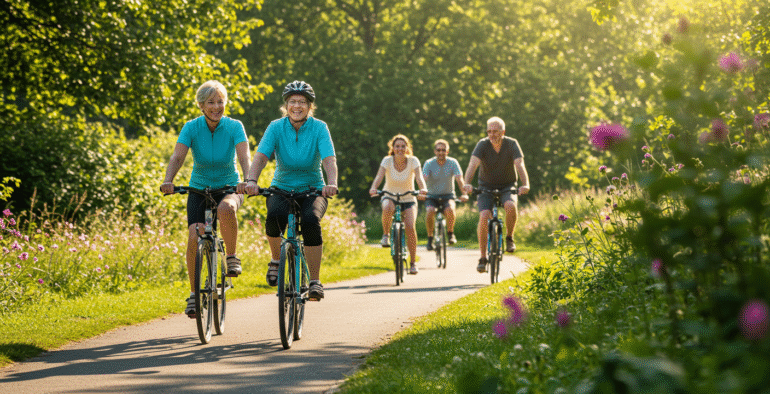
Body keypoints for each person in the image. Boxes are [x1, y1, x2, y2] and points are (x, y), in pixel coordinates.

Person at [160, 80, 251, 317]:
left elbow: (244, 156)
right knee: (194, 234)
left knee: (226, 209)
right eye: (211, 102)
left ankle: (231, 258)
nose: (216, 106)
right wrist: (168, 180)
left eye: (220, 101)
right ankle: (193, 294)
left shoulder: (234, 126)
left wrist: (249, 180)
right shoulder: (191, 128)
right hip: (199, 188)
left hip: (229, 186)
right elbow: (178, 156)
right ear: (201, 105)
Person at [245, 80, 338, 301]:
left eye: (302, 102)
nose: (297, 106)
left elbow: (328, 158)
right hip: (282, 187)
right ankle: (276, 260)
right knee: (274, 216)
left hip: (313, 189)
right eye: (293, 101)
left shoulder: (319, 127)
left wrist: (331, 182)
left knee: (310, 221)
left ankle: (314, 281)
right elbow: (261, 156)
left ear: (310, 106)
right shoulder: (275, 127)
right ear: (286, 105)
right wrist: (251, 180)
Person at [462, 116, 530, 273]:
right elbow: (472, 164)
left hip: (508, 185)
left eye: (495, 131)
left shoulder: (512, 144)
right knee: (484, 215)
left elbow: (520, 164)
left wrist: (525, 184)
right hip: (486, 186)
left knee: (510, 205)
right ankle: (482, 257)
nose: (492, 134)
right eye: (489, 131)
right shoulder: (482, 144)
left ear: (503, 132)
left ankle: (509, 237)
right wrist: (467, 183)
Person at [369, 134, 428, 275]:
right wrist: (373, 188)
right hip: (390, 195)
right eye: (397, 146)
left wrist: (423, 189)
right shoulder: (387, 160)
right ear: (392, 148)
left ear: (407, 148)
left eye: (403, 146)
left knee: (409, 226)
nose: (400, 149)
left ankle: (413, 263)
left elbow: (419, 178)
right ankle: (385, 235)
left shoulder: (413, 161)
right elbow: (379, 177)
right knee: (388, 207)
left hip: (408, 198)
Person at [421, 139, 468, 250]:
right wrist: (422, 192)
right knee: (430, 211)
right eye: (438, 150)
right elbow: (423, 179)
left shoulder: (453, 162)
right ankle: (430, 238)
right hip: (431, 196)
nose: (441, 152)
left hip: (448, 195)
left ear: (447, 151)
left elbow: (459, 179)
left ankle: (450, 233)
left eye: (443, 150)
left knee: (450, 209)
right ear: (435, 151)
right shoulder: (429, 163)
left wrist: (464, 194)